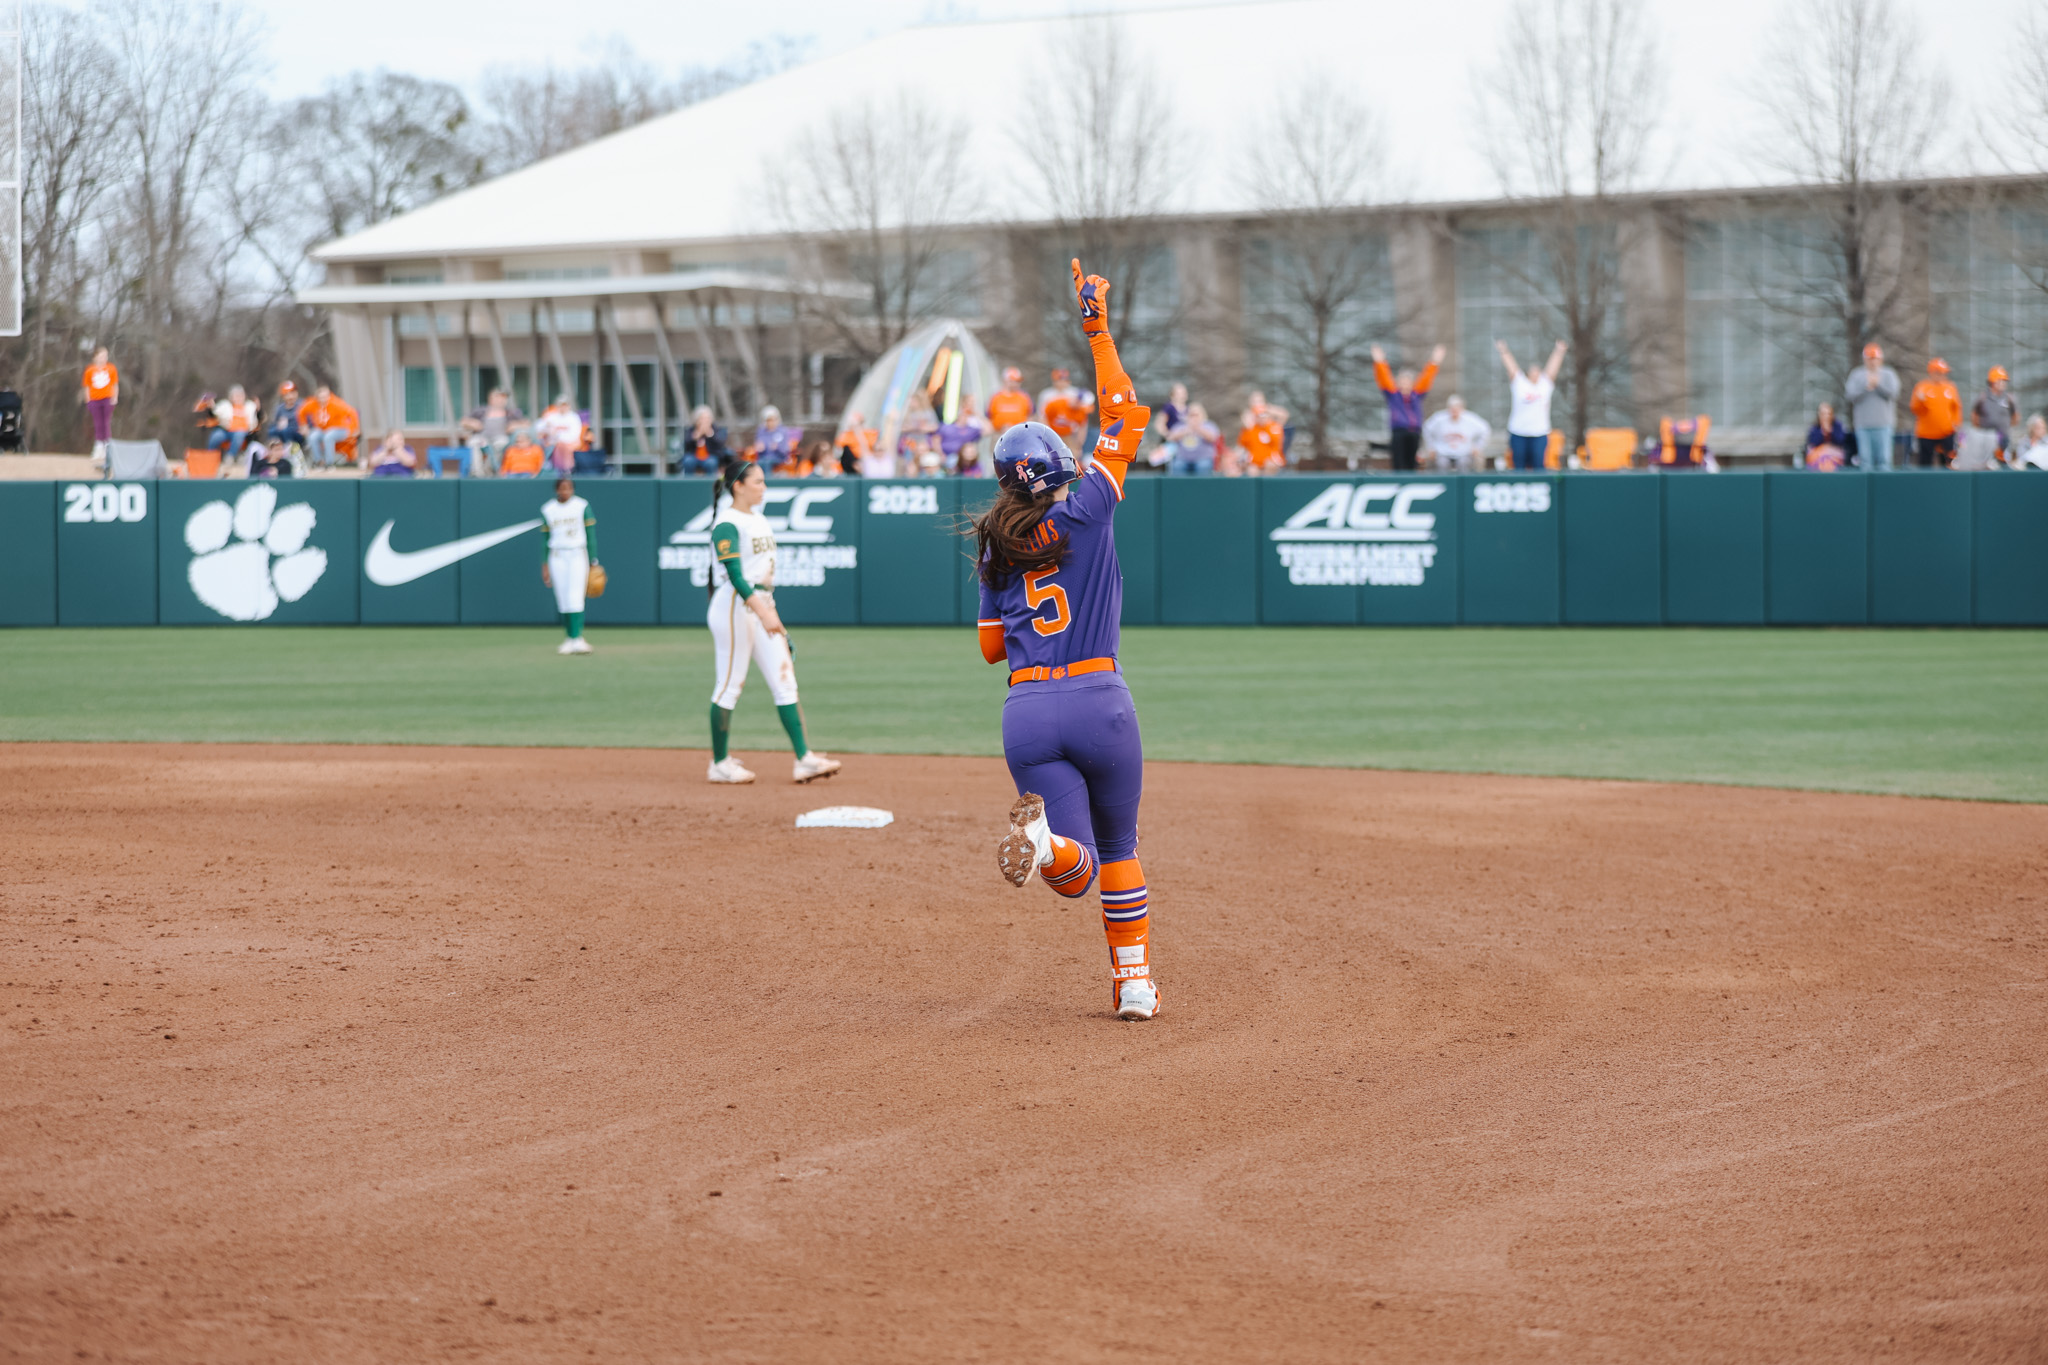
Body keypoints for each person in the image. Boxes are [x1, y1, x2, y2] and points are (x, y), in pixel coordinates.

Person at [977, 260, 1158, 1021]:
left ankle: (1048, 846)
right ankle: (1134, 985)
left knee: (1075, 870)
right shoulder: (1089, 507)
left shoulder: (995, 547)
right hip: (1098, 699)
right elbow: (1123, 410)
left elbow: (991, 648)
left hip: (1027, 712)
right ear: (1061, 466)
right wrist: (1096, 328)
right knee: (1120, 847)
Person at [704, 460, 843, 786]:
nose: (764, 487)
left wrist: (772, 615)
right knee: (729, 685)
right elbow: (736, 576)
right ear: (738, 486)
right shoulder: (727, 523)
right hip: (734, 606)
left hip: (762, 602)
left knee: (785, 680)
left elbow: (763, 578)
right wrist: (763, 612)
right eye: (758, 482)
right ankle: (720, 763)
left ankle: (804, 760)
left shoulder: (759, 519)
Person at [538, 477, 598, 655]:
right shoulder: (548, 509)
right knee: (563, 598)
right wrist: (544, 564)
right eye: (562, 488)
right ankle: (569, 638)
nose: (565, 491)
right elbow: (545, 539)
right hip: (557, 554)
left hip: (577, 553)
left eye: (569, 488)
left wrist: (593, 560)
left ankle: (578, 638)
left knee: (575, 596)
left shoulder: (581, 506)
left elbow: (590, 534)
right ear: (557, 490)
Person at [1372, 344, 1445, 471]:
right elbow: (1384, 378)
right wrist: (1380, 361)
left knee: (1412, 462)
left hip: (1414, 432)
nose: (1405, 384)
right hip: (1399, 431)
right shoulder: (1393, 395)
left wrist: (1434, 362)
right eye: (1402, 381)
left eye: (1407, 381)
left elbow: (1426, 378)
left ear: (1411, 383)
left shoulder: (1416, 395)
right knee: (1399, 461)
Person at [1496, 339, 1567, 470]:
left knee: (1539, 465)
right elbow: (1512, 368)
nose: (1535, 373)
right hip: (1518, 432)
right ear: (1528, 374)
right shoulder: (1520, 384)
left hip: (1539, 433)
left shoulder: (1544, 385)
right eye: (1532, 371)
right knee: (1519, 466)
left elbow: (1552, 369)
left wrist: (1559, 351)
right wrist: (1503, 351)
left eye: (1537, 371)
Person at [1845, 344, 1900, 470]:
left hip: (1883, 424)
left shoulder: (1888, 374)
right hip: (1863, 425)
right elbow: (1850, 395)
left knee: (1884, 460)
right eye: (1869, 359)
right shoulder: (1857, 374)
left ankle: (1884, 482)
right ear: (1864, 359)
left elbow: (1894, 393)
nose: (1872, 362)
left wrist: (1878, 385)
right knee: (1865, 461)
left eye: (1875, 358)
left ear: (1880, 359)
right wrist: (1865, 387)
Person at [1909, 358, 1961, 468]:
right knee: (1925, 464)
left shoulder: (1950, 387)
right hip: (1926, 434)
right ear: (1933, 372)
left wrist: (1956, 423)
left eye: (1944, 373)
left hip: (1946, 432)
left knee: (1948, 464)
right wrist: (1920, 401)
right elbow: (1915, 410)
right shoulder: (1922, 387)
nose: (1943, 376)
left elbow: (1956, 407)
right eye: (1940, 373)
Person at [461, 388, 525, 475]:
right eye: (498, 397)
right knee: (473, 443)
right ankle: (477, 472)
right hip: (482, 437)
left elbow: (526, 423)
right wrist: (473, 423)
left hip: (500, 437)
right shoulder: (480, 410)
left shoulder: (511, 412)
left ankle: (489, 469)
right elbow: (463, 421)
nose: (501, 400)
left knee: (502, 443)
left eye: (504, 397)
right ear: (491, 398)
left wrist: (515, 425)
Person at [1421, 394, 1491, 471]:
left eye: (1457, 408)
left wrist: (1478, 447)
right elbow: (1426, 429)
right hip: (1443, 453)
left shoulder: (1471, 419)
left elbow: (1485, 429)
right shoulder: (1439, 418)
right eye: (1452, 408)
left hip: (1464, 453)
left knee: (1464, 463)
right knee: (1442, 464)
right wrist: (1431, 447)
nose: (1454, 411)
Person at [296, 384, 359, 468]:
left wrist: (355, 428)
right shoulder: (313, 404)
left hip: (340, 429)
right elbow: (301, 411)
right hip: (323, 430)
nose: (323, 399)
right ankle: (319, 462)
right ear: (317, 397)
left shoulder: (336, 403)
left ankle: (329, 463)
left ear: (329, 396)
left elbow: (352, 413)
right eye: (320, 397)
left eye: (325, 397)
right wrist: (303, 425)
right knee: (313, 436)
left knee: (328, 436)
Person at [1039, 367, 1094, 456]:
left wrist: (1079, 444)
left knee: (1073, 455)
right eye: (1059, 380)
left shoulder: (1074, 393)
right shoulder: (1049, 397)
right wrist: (1047, 435)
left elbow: (1083, 424)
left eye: (1064, 380)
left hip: (1070, 432)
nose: (1062, 382)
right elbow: (1042, 417)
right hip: (1053, 430)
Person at [1237, 391, 1289, 475]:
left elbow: (1283, 415)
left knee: (1270, 466)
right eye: (1254, 402)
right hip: (1255, 459)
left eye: (1259, 401)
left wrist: (1268, 409)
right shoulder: (1250, 426)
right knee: (1251, 470)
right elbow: (1243, 445)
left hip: (1271, 459)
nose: (1257, 405)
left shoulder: (1273, 425)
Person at [210, 386, 261, 469]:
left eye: (240, 395)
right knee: (216, 436)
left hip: (243, 431)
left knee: (239, 434)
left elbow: (258, 418)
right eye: (236, 396)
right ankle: (210, 456)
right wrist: (211, 406)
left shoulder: (250, 406)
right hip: (226, 429)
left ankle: (230, 457)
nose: (238, 398)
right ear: (231, 397)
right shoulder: (225, 405)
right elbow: (215, 412)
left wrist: (258, 410)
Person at [81, 347, 118, 464]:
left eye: (105, 356)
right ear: (95, 357)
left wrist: (115, 397)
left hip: (107, 399)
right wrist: (88, 400)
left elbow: (115, 384)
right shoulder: (89, 370)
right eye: (101, 356)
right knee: (98, 423)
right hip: (95, 399)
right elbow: (86, 386)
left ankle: (107, 447)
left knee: (106, 422)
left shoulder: (111, 368)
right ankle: (98, 447)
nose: (104, 358)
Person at [1972, 365, 2019, 453]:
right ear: (1992, 382)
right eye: (2001, 381)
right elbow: (1974, 416)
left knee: (2003, 458)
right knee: (1986, 459)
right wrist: (1981, 430)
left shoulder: (2009, 398)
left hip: (2003, 437)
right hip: (1986, 437)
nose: (2004, 383)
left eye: (2004, 381)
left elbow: (2015, 417)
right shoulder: (1982, 398)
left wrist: (2005, 428)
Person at [1165, 403, 1219, 475]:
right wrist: (1185, 431)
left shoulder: (1209, 425)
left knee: (1204, 466)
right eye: (1191, 415)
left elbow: (1213, 438)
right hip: (1182, 459)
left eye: (1196, 415)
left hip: (1203, 459)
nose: (1194, 418)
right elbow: (1170, 438)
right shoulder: (1180, 426)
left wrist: (1198, 429)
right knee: (1177, 466)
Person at [535, 396, 583, 476]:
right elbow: (539, 426)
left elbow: (574, 435)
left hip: (569, 442)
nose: (563, 407)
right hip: (552, 442)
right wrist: (547, 429)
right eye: (561, 405)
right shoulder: (552, 416)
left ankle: (565, 469)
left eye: (565, 405)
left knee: (561, 446)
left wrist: (557, 438)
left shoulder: (573, 417)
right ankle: (546, 467)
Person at [936, 401, 990, 473]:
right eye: (962, 415)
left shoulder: (971, 430)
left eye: (966, 415)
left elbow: (988, 430)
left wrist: (977, 414)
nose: (964, 417)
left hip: (964, 458)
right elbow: (936, 440)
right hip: (946, 456)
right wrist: (940, 454)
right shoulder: (947, 427)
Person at [675, 406, 731, 475]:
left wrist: (710, 434)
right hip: (693, 456)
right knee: (688, 461)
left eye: (707, 419)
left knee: (711, 463)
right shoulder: (691, 430)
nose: (704, 421)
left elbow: (720, 444)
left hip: (711, 456)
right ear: (697, 420)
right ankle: (688, 481)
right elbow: (686, 444)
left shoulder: (717, 430)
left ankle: (710, 481)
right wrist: (696, 435)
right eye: (702, 418)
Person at [753, 405, 802, 472]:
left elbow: (785, 451)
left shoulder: (783, 431)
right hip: (764, 458)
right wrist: (759, 449)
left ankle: (768, 478)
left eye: (772, 420)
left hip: (779, 458)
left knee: (767, 463)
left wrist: (777, 448)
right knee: (759, 463)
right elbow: (758, 452)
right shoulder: (761, 431)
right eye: (768, 420)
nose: (770, 423)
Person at [986, 368, 1035, 433]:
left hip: (1020, 433)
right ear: (1004, 381)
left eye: (1017, 381)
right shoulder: (995, 397)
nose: (1015, 383)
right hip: (999, 434)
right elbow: (988, 417)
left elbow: (1031, 416)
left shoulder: (1025, 397)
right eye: (1012, 381)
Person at [1804, 402, 1850, 470]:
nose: (1826, 416)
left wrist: (1831, 431)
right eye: (1823, 414)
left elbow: (1841, 441)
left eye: (1829, 413)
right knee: (1823, 458)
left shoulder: (1837, 426)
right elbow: (1813, 443)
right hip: (1818, 455)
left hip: (1835, 454)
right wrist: (1823, 432)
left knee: (1828, 460)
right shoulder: (1815, 428)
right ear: (1819, 415)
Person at [265, 382, 304, 450]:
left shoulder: (302, 405)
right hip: (283, 432)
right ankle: (274, 451)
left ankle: (289, 451)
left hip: (298, 433)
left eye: (292, 393)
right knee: (272, 431)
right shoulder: (280, 408)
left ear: (296, 393)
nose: (290, 396)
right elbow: (274, 423)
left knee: (286, 431)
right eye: (287, 394)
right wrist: (278, 425)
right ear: (283, 397)